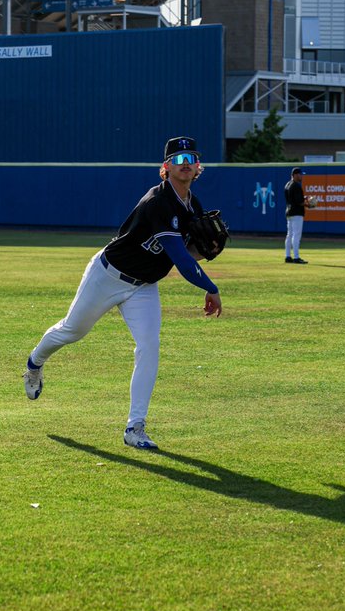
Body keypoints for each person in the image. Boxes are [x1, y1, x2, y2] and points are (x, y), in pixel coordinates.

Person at [22, 135, 223, 450]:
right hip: (107, 276)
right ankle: (35, 363)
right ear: (166, 167)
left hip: (143, 287)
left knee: (149, 348)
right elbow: (181, 260)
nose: (186, 166)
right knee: (71, 331)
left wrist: (205, 249)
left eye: (191, 159)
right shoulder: (158, 202)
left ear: (198, 167)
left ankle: (135, 427)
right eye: (179, 160)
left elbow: (185, 253)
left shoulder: (191, 205)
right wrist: (210, 287)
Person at [284, 166, 315, 264]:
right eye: (300, 174)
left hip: (289, 212)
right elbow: (299, 202)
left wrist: (304, 197)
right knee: (296, 235)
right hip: (297, 213)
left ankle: (288, 256)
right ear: (295, 175)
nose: (301, 176)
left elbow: (293, 198)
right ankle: (296, 257)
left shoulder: (287, 184)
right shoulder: (296, 185)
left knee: (289, 235)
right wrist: (308, 205)